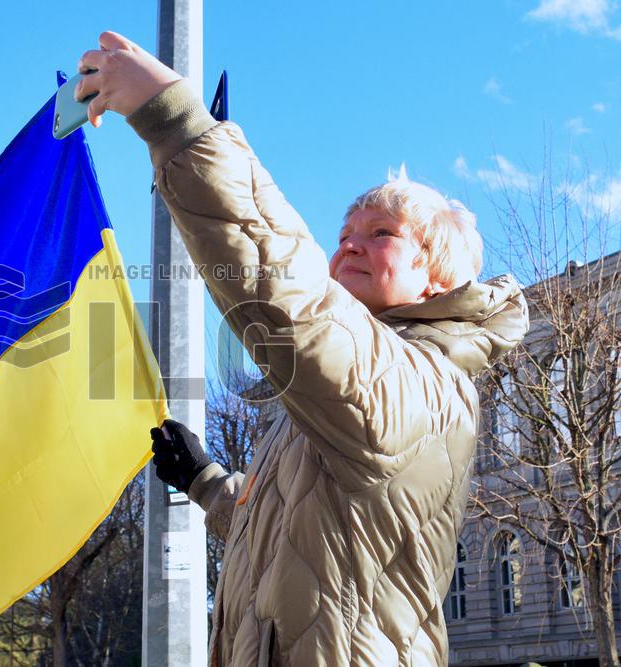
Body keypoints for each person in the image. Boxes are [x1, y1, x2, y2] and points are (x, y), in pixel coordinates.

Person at [75, 32, 530, 666]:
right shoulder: (340, 396)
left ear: (440, 280)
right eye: (344, 233)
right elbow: (285, 540)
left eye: (381, 233)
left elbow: (294, 300)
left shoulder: (429, 385)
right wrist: (208, 482)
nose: (349, 244)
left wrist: (178, 124)